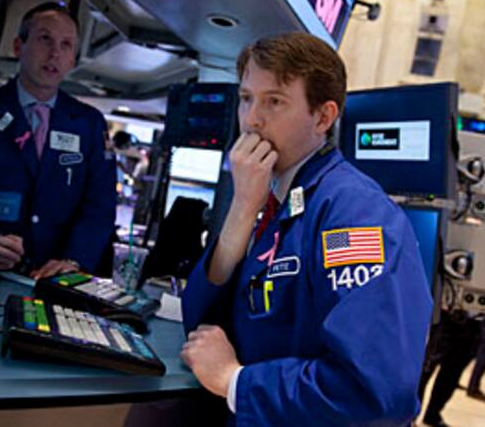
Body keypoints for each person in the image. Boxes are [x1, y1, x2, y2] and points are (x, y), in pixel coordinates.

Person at [179, 32, 433, 426]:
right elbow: (199, 325)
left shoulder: (354, 212)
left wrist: (236, 381)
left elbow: (372, 393)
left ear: (323, 117)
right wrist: (242, 208)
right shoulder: (274, 199)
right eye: (246, 98)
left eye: (274, 101)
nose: (252, 119)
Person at [0, 2, 116, 279]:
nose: (55, 53)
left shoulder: (90, 125)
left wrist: (74, 260)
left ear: (72, 60)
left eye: (66, 45)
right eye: (44, 39)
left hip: (52, 283)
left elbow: (99, 207)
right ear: (18, 46)